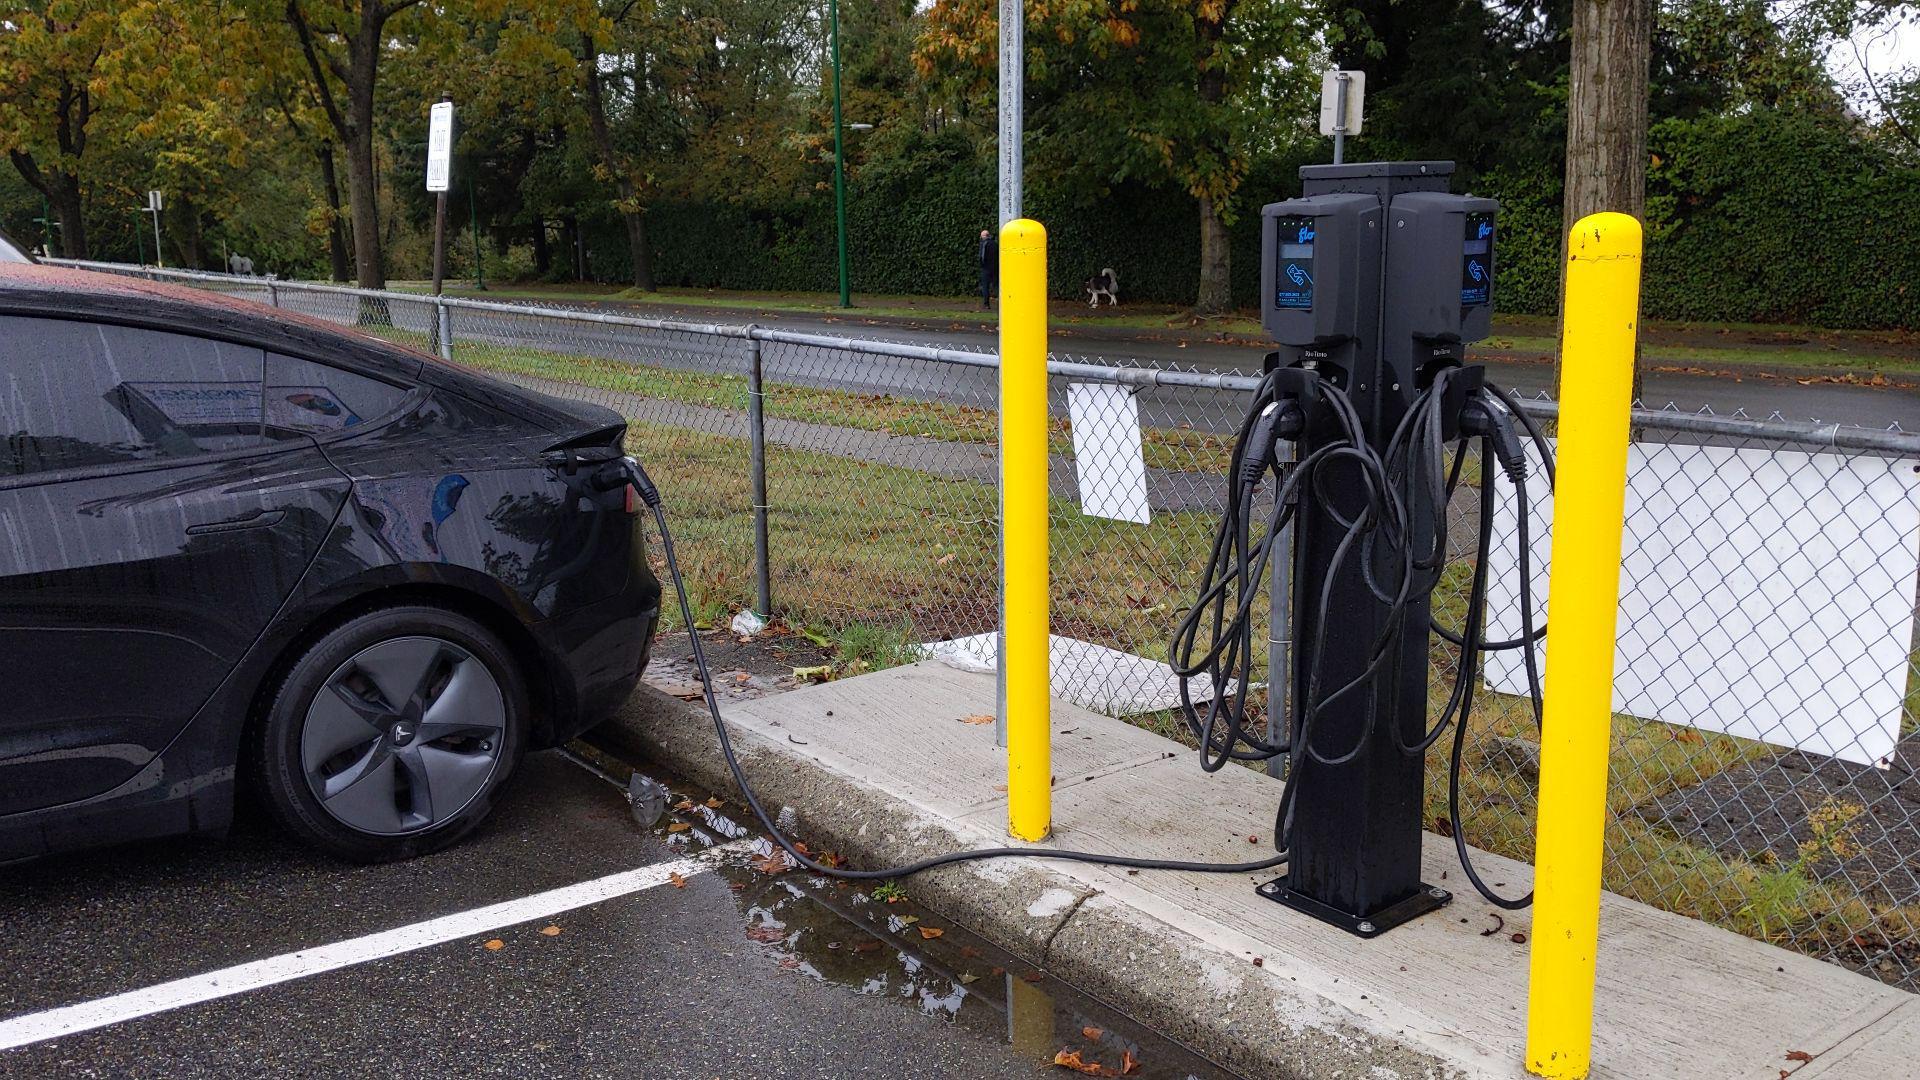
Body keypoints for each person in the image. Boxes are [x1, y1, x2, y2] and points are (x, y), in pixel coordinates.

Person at [977, 228, 998, 310]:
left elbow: (981, 257)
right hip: (995, 268)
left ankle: (986, 304)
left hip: (986, 268)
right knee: (996, 285)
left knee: (985, 286)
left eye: (981, 236)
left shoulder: (983, 244)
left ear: (984, 236)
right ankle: (1000, 303)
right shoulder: (995, 244)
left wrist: (982, 265)